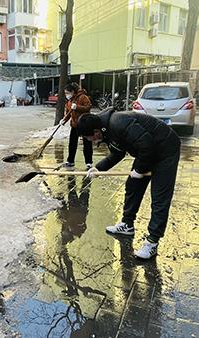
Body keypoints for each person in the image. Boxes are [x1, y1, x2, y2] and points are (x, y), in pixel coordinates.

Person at [75, 109, 181, 259]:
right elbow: (118, 153)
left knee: (159, 197)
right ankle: (127, 224)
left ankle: (152, 242)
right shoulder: (107, 130)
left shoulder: (118, 123)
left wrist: (139, 169)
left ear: (96, 131)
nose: (90, 141)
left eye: (89, 137)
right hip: (147, 150)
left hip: (165, 148)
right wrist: (99, 168)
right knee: (133, 185)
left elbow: (147, 144)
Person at [60, 83, 93, 169]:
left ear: (73, 92)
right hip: (74, 125)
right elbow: (68, 114)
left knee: (87, 144)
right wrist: (64, 120)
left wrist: (77, 107)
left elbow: (88, 107)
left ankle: (89, 162)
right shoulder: (69, 101)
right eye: (65, 93)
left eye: (67, 93)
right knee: (72, 144)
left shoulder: (83, 97)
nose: (67, 95)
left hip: (85, 124)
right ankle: (70, 161)